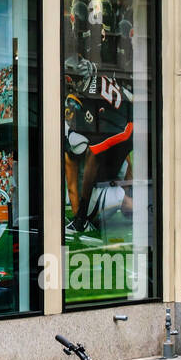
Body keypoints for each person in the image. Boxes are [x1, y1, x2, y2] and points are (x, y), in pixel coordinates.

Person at [64, 55, 133, 236]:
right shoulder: (103, 79)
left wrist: (81, 211)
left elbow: (91, 152)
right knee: (119, 160)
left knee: (90, 153)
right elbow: (129, 97)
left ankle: (82, 219)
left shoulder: (87, 98)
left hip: (119, 131)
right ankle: (133, 203)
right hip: (129, 126)